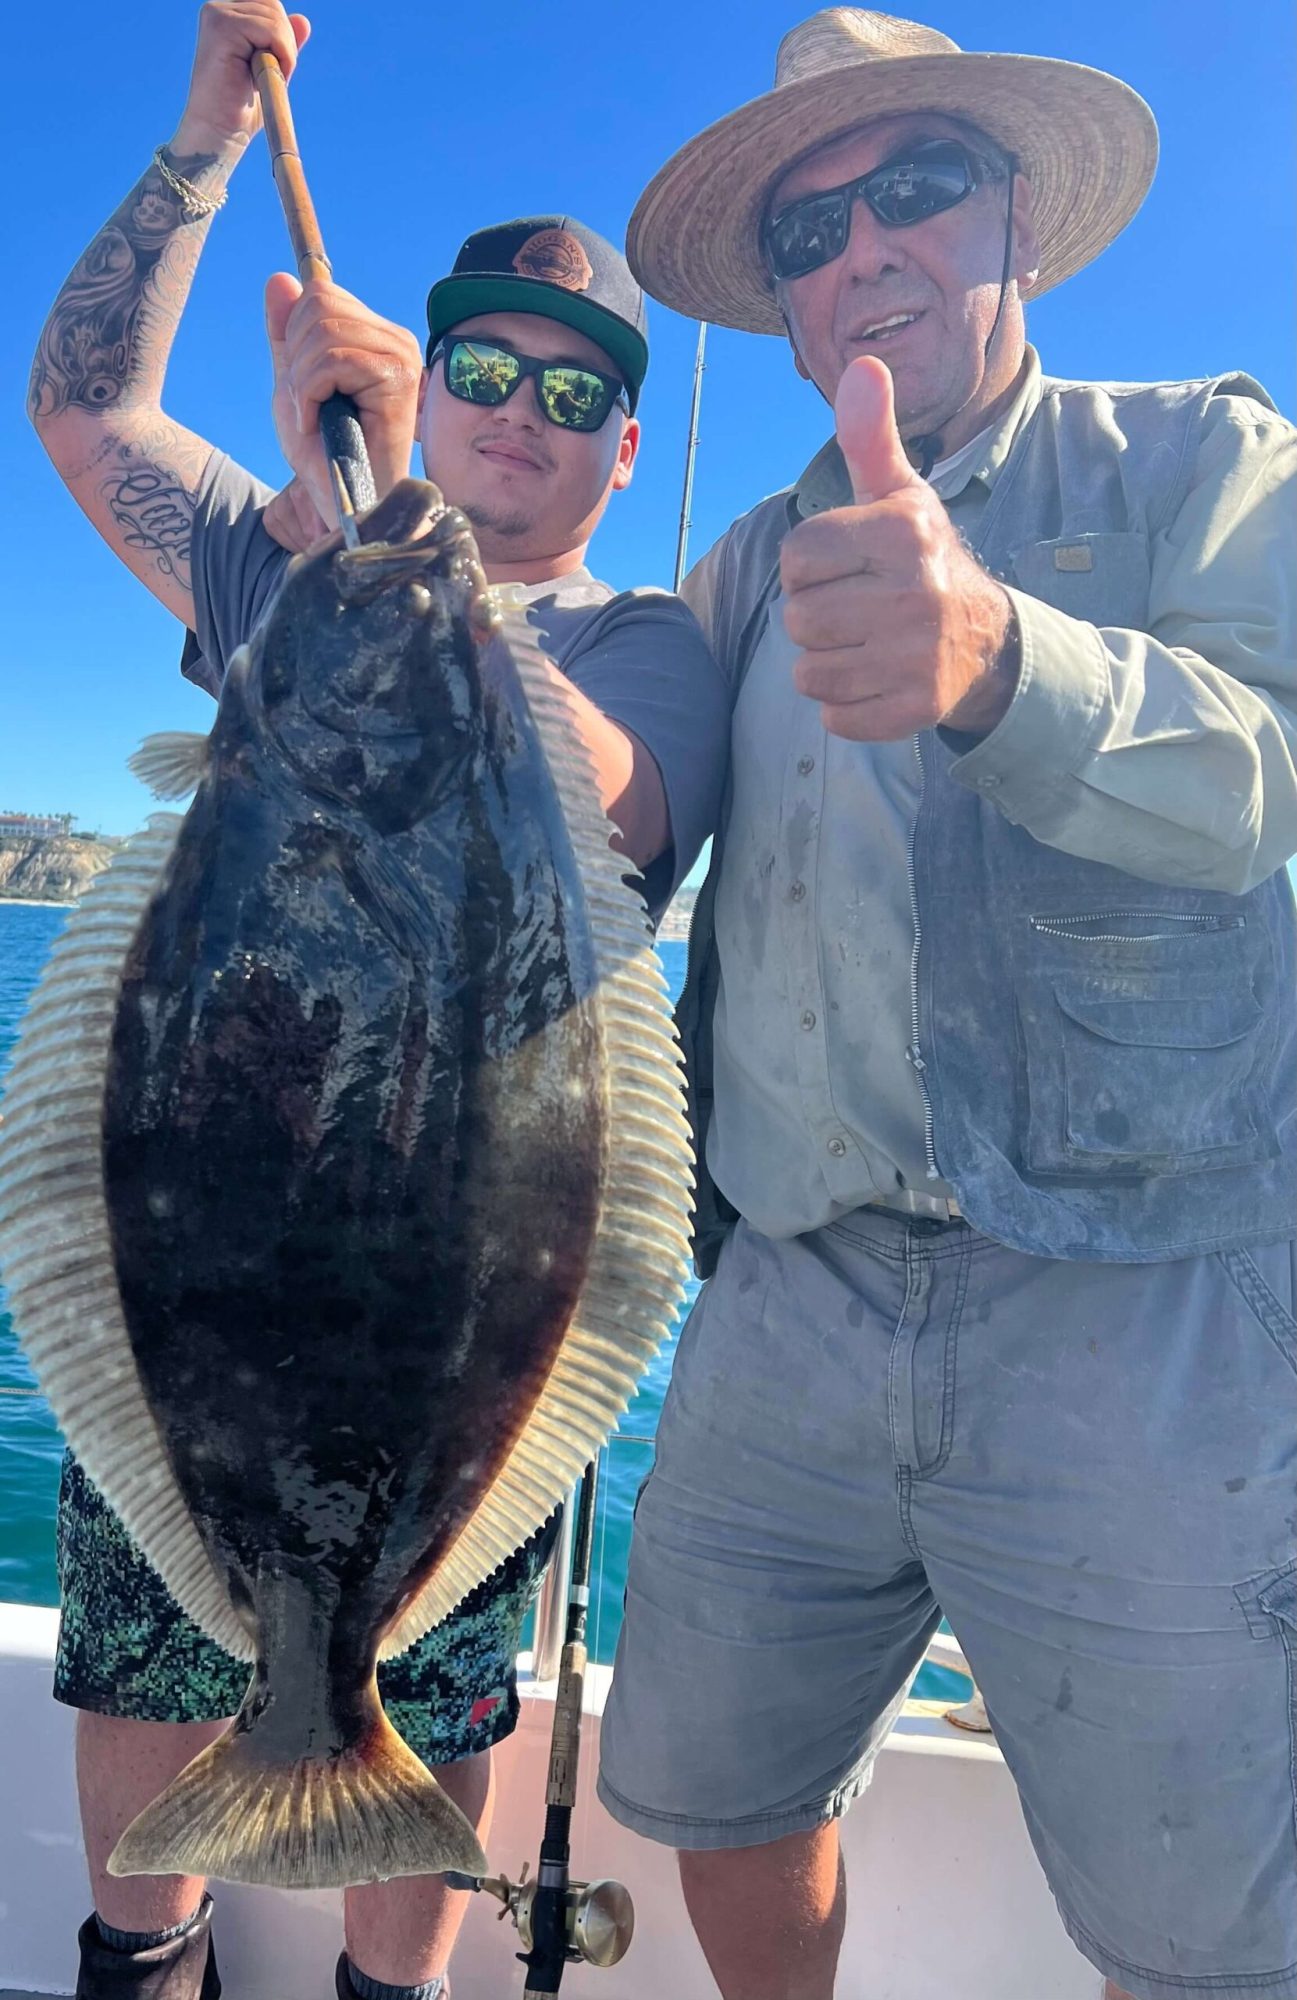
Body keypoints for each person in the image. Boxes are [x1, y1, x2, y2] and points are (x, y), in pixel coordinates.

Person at [591, 12, 1297, 2000]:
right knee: (713, 1795)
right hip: (789, 1291)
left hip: (1140, 1300)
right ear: (788, 307)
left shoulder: (1207, 462)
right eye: (810, 226)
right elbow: (619, 793)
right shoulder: (730, 569)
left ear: (1021, 227)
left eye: (914, 189)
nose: (863, 247)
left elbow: (1272, 766)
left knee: (1198, 1926)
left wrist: (1001, 659)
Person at [27, 6, 727, 1998]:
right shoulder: (284, 580)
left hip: (460, 1276)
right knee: (156, 1655)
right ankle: (135, 1964)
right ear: (442, 368)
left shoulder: (641, 642)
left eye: (571, 388)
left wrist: (381, 523)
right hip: (214, 1222)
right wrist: (197, 147)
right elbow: (86, 416)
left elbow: (613, 793)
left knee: (440, 1698)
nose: (519, 407)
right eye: (483, 365)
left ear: (615, 441)